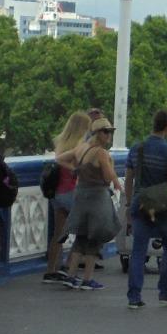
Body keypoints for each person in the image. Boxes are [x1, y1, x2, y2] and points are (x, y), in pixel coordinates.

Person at [123, 109, 167, 309]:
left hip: (141, 204)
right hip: (164, 206)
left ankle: (134, 295)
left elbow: (129, 177)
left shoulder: (136, 148)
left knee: (138, 250)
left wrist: (129, 203)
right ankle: (165, 291)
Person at [56, 116, 121, 291]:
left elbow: (60, 158)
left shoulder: (81, 148)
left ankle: (70, 275)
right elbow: (107, 176)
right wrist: (114, 175)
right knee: (95, 237)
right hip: (97, 196)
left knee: (81, 236)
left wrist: (75, 169)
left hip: (81, 195)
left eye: (110, 132)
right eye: (106, 132)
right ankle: (87, 279)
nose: (109, 135)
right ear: (97, 133)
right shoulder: (101, 153)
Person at [43, 111, 90, 283]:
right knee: (85, 229)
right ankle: (70, 265)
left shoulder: (61, 143)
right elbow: (79, 167)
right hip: (71, 192)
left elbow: (57, 161)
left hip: (57, 193)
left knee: (59, 233)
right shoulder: (79, 145)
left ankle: (51, 269)